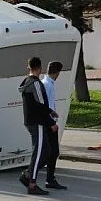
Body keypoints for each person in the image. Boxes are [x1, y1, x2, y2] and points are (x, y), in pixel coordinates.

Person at [17, 56, 57, 195]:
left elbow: (36, 105)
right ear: (39, 68)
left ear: (28, 68)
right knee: (39, 152)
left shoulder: (26, 82)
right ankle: (32, 184)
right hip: (37, 122)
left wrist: (50, 111)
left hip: (31, 121)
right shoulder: (35, 84)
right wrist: (51, 122)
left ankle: (28, 174)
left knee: (46, 151)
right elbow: (41, 106)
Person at [41, 61, 67, 190]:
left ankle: (49, 178)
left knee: (50, 152)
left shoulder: (48, 83)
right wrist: (51, 122)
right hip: (49, 122)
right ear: (58, 72)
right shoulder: (47, 85)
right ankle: (46, 178)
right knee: (51, 151)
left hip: (50, 120)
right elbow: (45, 106)